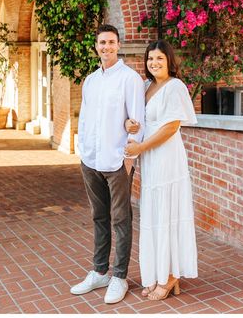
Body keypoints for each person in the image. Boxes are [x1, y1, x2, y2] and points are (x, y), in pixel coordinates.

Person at [70, 24, 145, 304]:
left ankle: (119, 276)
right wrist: (83, 151)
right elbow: (86, 119)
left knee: (121, 219)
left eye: (111, 42)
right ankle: (100, 271)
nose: (106, 47)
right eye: (102, 42)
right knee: (99, 217)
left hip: (117, 162)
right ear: (96, 46)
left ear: (118, 44)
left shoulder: (130, 79)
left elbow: (137, 123)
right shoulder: (91, 80)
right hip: (91, 160)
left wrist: (128, 160)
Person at [124, 40, 198, 301]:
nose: (154, 63)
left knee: (168, 210)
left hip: (166, 156)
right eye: (150, 59)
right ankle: (158, 272)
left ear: (169, 61)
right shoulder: (146, 86)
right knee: (155, 212)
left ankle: (171, 276)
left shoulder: (175, 87)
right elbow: (138, 118)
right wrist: (130, 124)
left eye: (160, 59)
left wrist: (141, 146)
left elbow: (170, 127)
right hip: (150, 159)